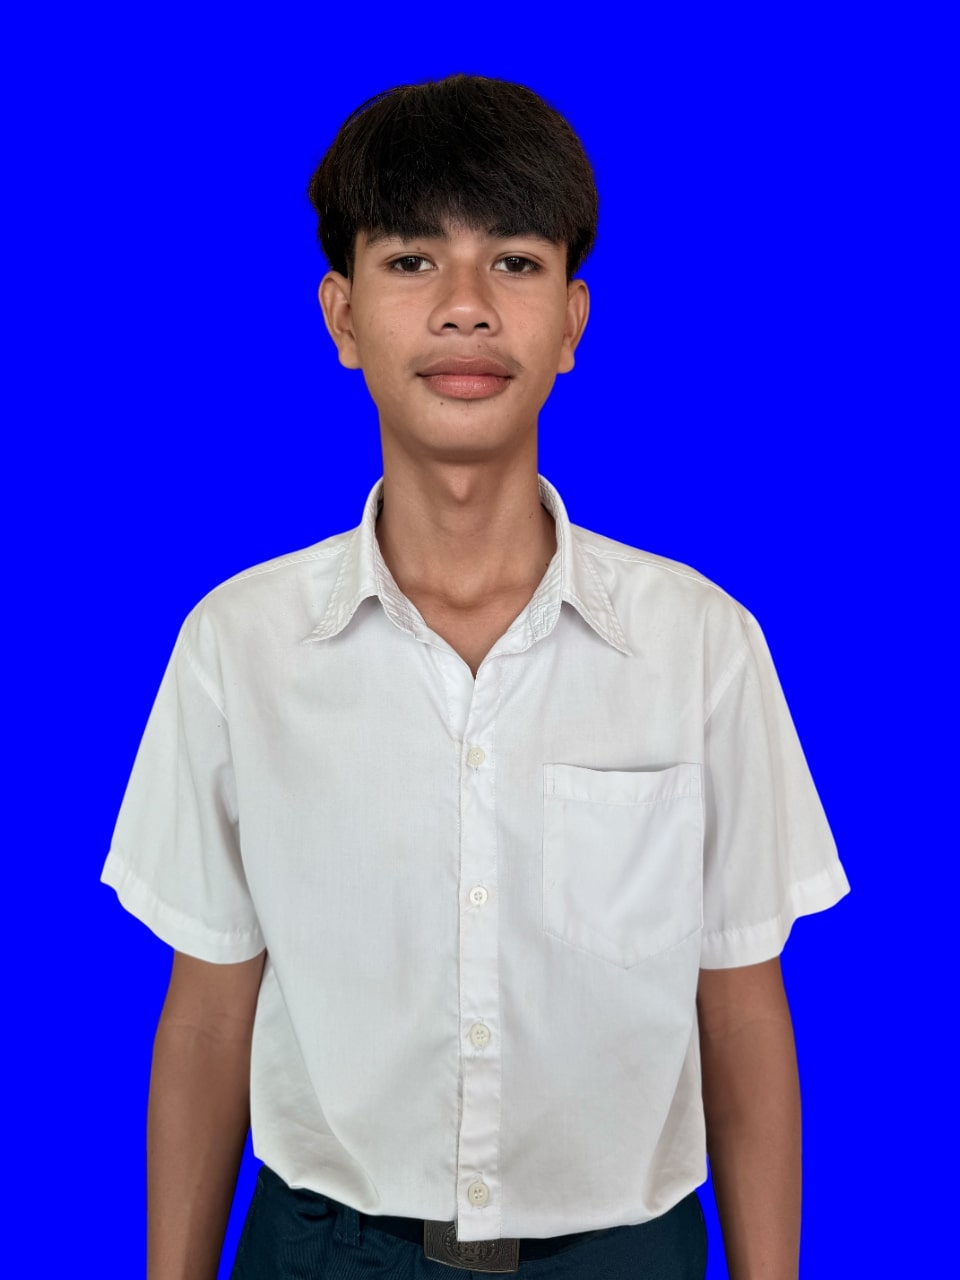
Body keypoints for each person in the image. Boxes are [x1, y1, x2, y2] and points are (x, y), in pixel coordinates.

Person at [102, 73, 851, 1280]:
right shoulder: (239, 647)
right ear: (343, 316)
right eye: (411, 261)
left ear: (572, 318)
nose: (464, 308)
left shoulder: (701, 644)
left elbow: (742, 1003)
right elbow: (206, 1008)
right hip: (325, 1250)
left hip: (624, 1254)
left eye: (513, 262)